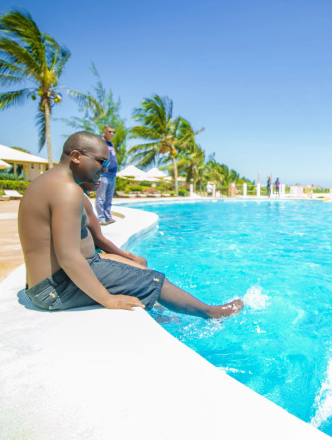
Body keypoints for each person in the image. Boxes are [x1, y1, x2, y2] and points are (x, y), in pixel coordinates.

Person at [18, 131, 243, 318]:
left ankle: (162, 313)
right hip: (56, 289)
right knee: (154, 280)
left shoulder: (51, 182)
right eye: (101, 162)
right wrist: (107, 299)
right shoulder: (66, 190)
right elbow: (68, 257)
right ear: (76, 156)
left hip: (49, 284)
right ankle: (212, 313)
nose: (105, 168)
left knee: (140, 268)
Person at [81, 181, 148, 267]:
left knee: (132, 257)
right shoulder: (82, 198)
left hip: (88, 254)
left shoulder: (79, 196)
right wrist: (131, 258)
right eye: (97, 174)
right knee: (141, 261)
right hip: (89, 258)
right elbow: (98, 239)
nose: (100, 179)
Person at [94, 126, 118, 225]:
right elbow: (97, 157)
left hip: (112, 175)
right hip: (104, 174)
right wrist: (98, 174)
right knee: (101, 198)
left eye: (113, 132)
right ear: (104, 132)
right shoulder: (101, 142)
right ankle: (100, 218)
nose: (112, 134)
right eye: (110, 131)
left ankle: (108, 217)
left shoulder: (110, 144)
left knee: (108, 199)